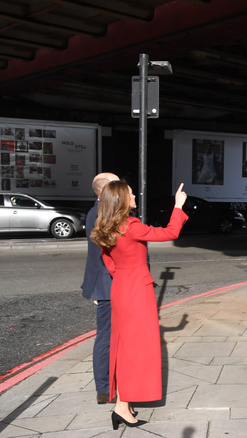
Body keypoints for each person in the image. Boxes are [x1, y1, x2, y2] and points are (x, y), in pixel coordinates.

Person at [90, 181, 188, 430]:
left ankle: (125, 402)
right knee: (136, 349)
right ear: (122, 200)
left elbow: (108, 261)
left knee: (125, 347)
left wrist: (125, 275)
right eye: (131, 193)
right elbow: (169, 233)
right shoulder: (131, 226)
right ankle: (121, 407)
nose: (134, 195)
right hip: (136, 291)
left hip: (122, 287)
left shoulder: (108, 227)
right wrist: (177, 206)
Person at [80, 172, 119, 405]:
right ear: (106, 190)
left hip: (106, 284)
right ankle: (104, 389)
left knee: (111, 336)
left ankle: (108, 385)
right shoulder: (100, 214)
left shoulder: (99, 211)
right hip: (107, 285)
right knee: (105, 337)